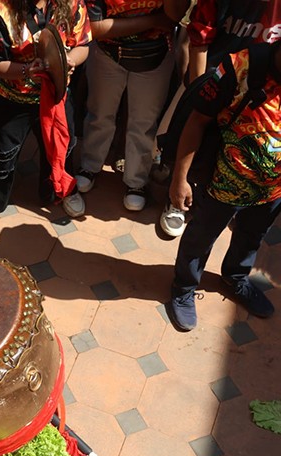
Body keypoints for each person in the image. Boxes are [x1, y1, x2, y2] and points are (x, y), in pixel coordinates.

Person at [167, 42, 281, 331]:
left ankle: (236, 277)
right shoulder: (241, 66)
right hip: (221, 184)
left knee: (251, 236)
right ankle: (183, 287)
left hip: (272, 192)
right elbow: (197, 121)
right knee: (201, 237)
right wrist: (180, 179)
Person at [0, 0, 92, 233]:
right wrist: (27, 70)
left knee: (62, 145)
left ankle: (63, 189)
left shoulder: (71, 3)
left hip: (54, 95)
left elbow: (83, 45)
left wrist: (69, 61)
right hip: (9, 96)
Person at [158, 0, 281, 236]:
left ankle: (231, 206)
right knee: (195, 143)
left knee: (242, 155)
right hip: (216, 81)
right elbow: (200, 41)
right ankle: (177, 199)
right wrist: (200, 92)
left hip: (260, 96)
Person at [73, 0, 175, 212]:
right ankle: (90, 166)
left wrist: (158, 21)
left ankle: (136, 181)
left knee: (144, 123)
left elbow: (174, 16)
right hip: (106, 53)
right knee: (100, 113)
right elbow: (98, 27)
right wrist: (154, 20)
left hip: (155, 56)